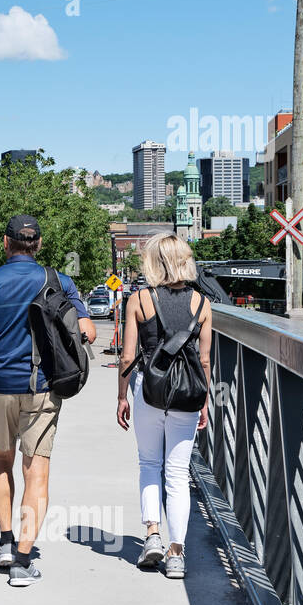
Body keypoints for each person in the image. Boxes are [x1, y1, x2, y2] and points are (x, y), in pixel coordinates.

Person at [0, 215, 96, 587]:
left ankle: (4, 542)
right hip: (41, 387)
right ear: (38, 244)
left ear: (6, 243)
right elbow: (88, 331)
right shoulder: (59, 281)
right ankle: (22, 559)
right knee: (35, 469)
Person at [116, 233, 212, 580]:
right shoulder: (202, 304)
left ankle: (153, 535)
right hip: (188, 395)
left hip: (149, 392)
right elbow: (204, 359)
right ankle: (176, 554)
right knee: (177, 473)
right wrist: (204, 401)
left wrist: (122, 396)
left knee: (149, 463)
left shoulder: (139, 299)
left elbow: (128, 356)